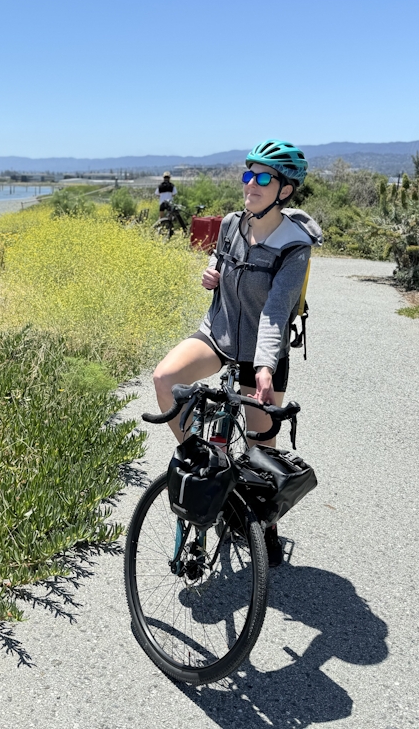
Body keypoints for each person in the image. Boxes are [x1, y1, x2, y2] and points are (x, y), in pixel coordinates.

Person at [151, 139, 322, 567]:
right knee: (164, 380)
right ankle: (209, 468)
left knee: (263, 444)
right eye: (249, 175)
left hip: (261, 354)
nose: (252, 184)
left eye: (264, 178)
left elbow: (275, 312)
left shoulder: (293, 246)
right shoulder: (231, 223)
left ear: (285, 190)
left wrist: (264, 366)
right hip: (219, 333)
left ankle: (265, 527)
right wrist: (212, 273)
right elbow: (219, 258)